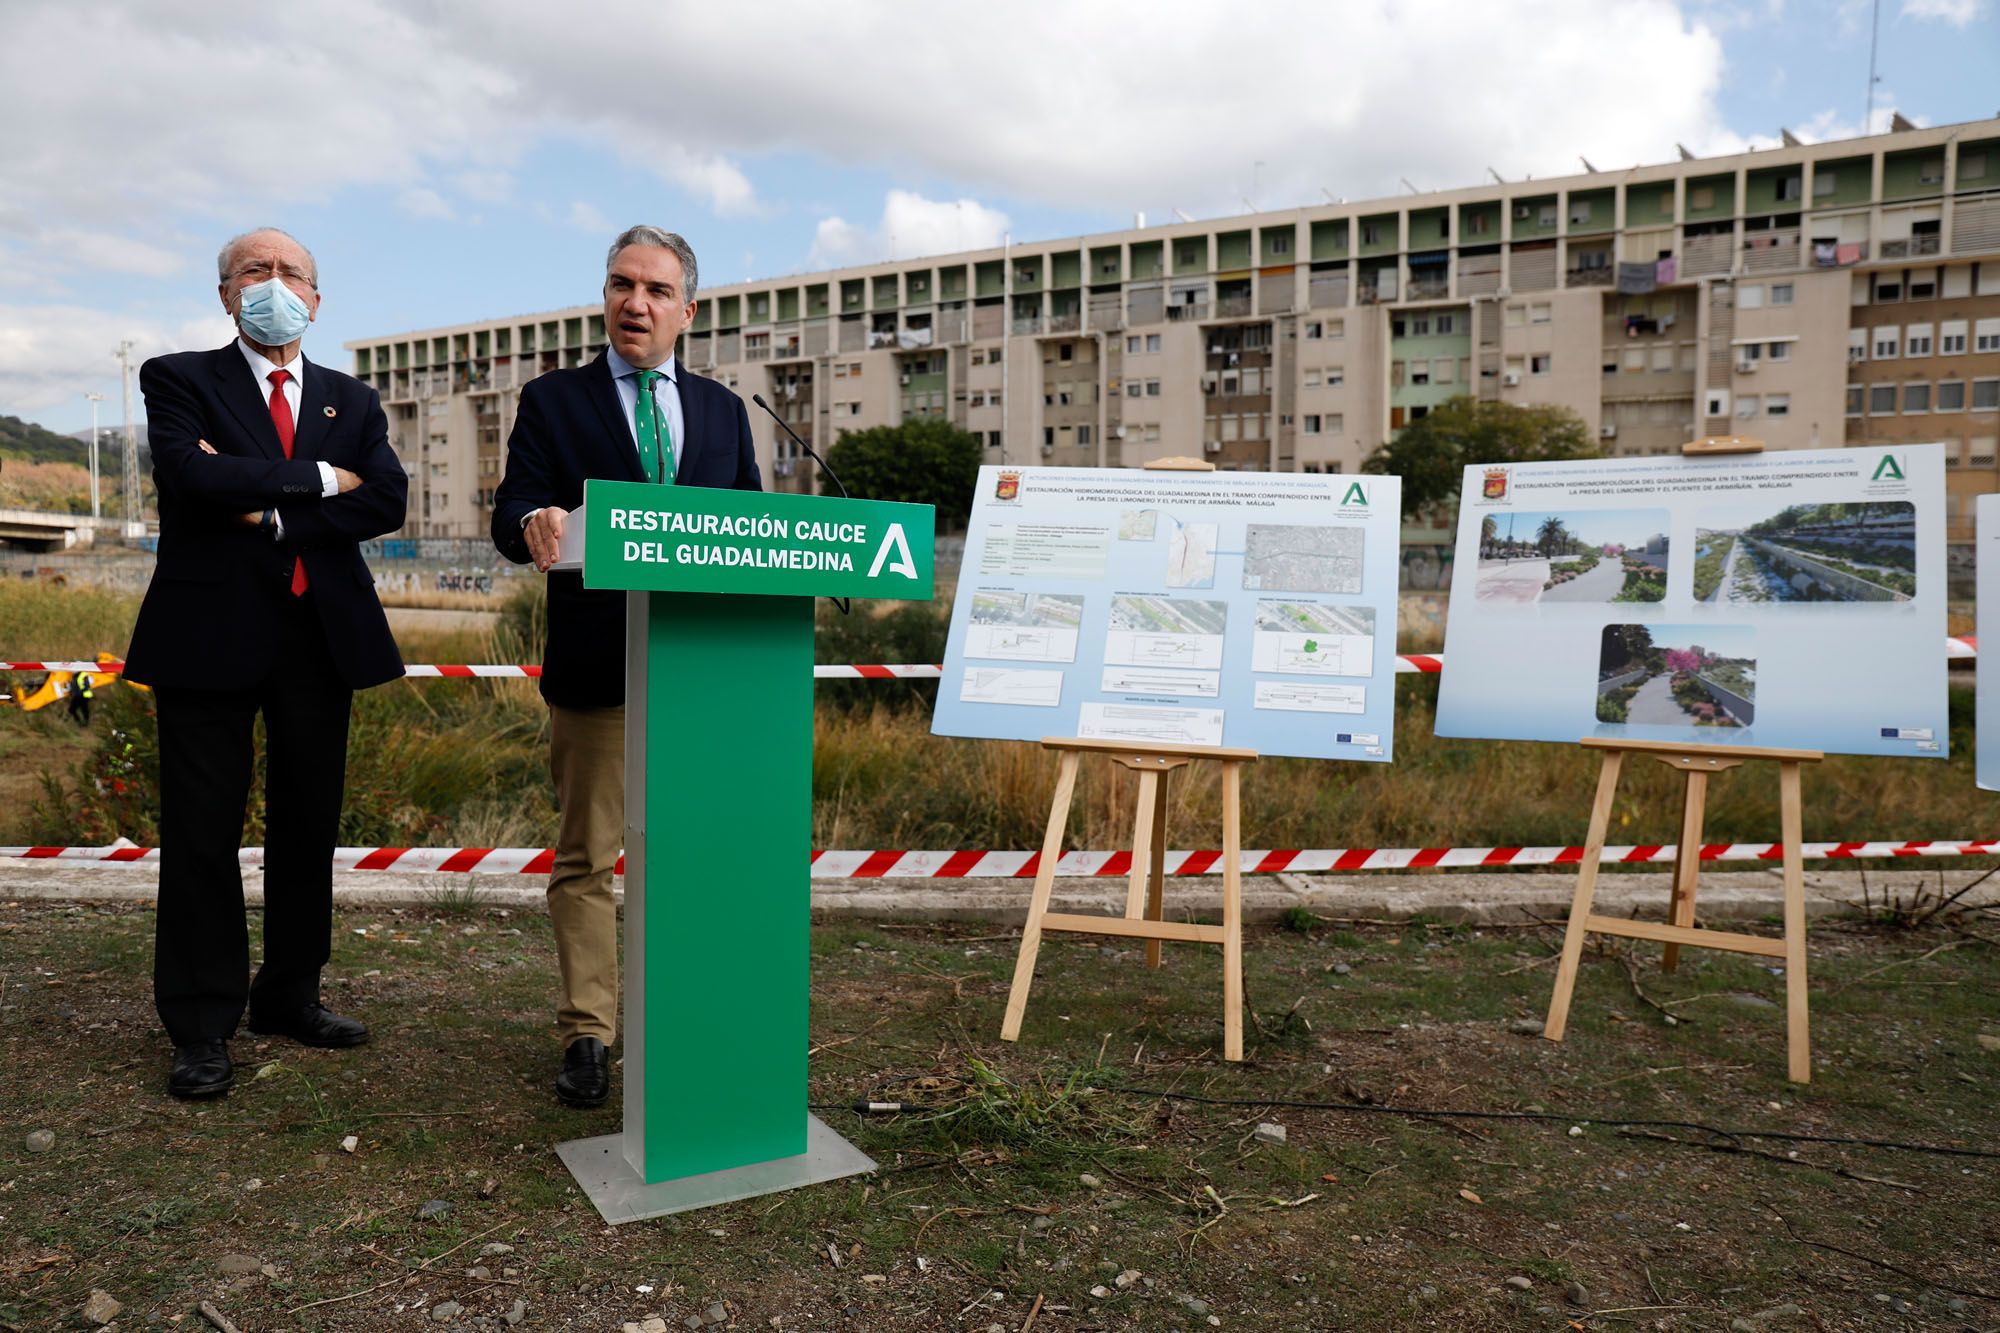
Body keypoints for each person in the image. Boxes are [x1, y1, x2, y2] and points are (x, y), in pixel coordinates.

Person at [124, 227, 408, 1099]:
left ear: (317, 301)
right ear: (225, 294)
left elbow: (389, 499)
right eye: (256, 270)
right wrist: (326, 482)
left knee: (306, 827)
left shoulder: (351, 400)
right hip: (207, 635)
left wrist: (267, 504)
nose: (273, 284)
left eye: (290, 273)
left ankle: (289, 994)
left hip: (318, 639)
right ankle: (202, 1024)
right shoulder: (177, 379)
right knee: (202, 835)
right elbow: (188, 477)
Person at [492, 226, 760, 1108]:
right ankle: (588, 1036)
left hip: (701, 675)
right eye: (619, 284)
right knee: (587, 859)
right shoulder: (553, 400)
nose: (633, 302)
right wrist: (532, 518)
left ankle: (683, 1018)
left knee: (691, 855)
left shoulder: (725, 411)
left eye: (653, 289)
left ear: (688, 309)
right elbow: (513, 513)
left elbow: (754, 531)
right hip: (598, 667)